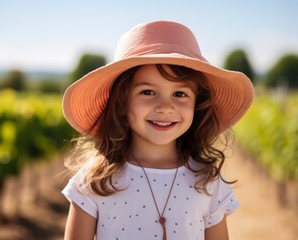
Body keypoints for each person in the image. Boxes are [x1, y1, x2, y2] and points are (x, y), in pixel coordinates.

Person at [61, 20, 254, 240]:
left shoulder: (207, 181)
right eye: (148, 92)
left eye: (180, 94)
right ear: (121, 102)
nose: (165, 107)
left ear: (197, 105)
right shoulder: (94, 181)